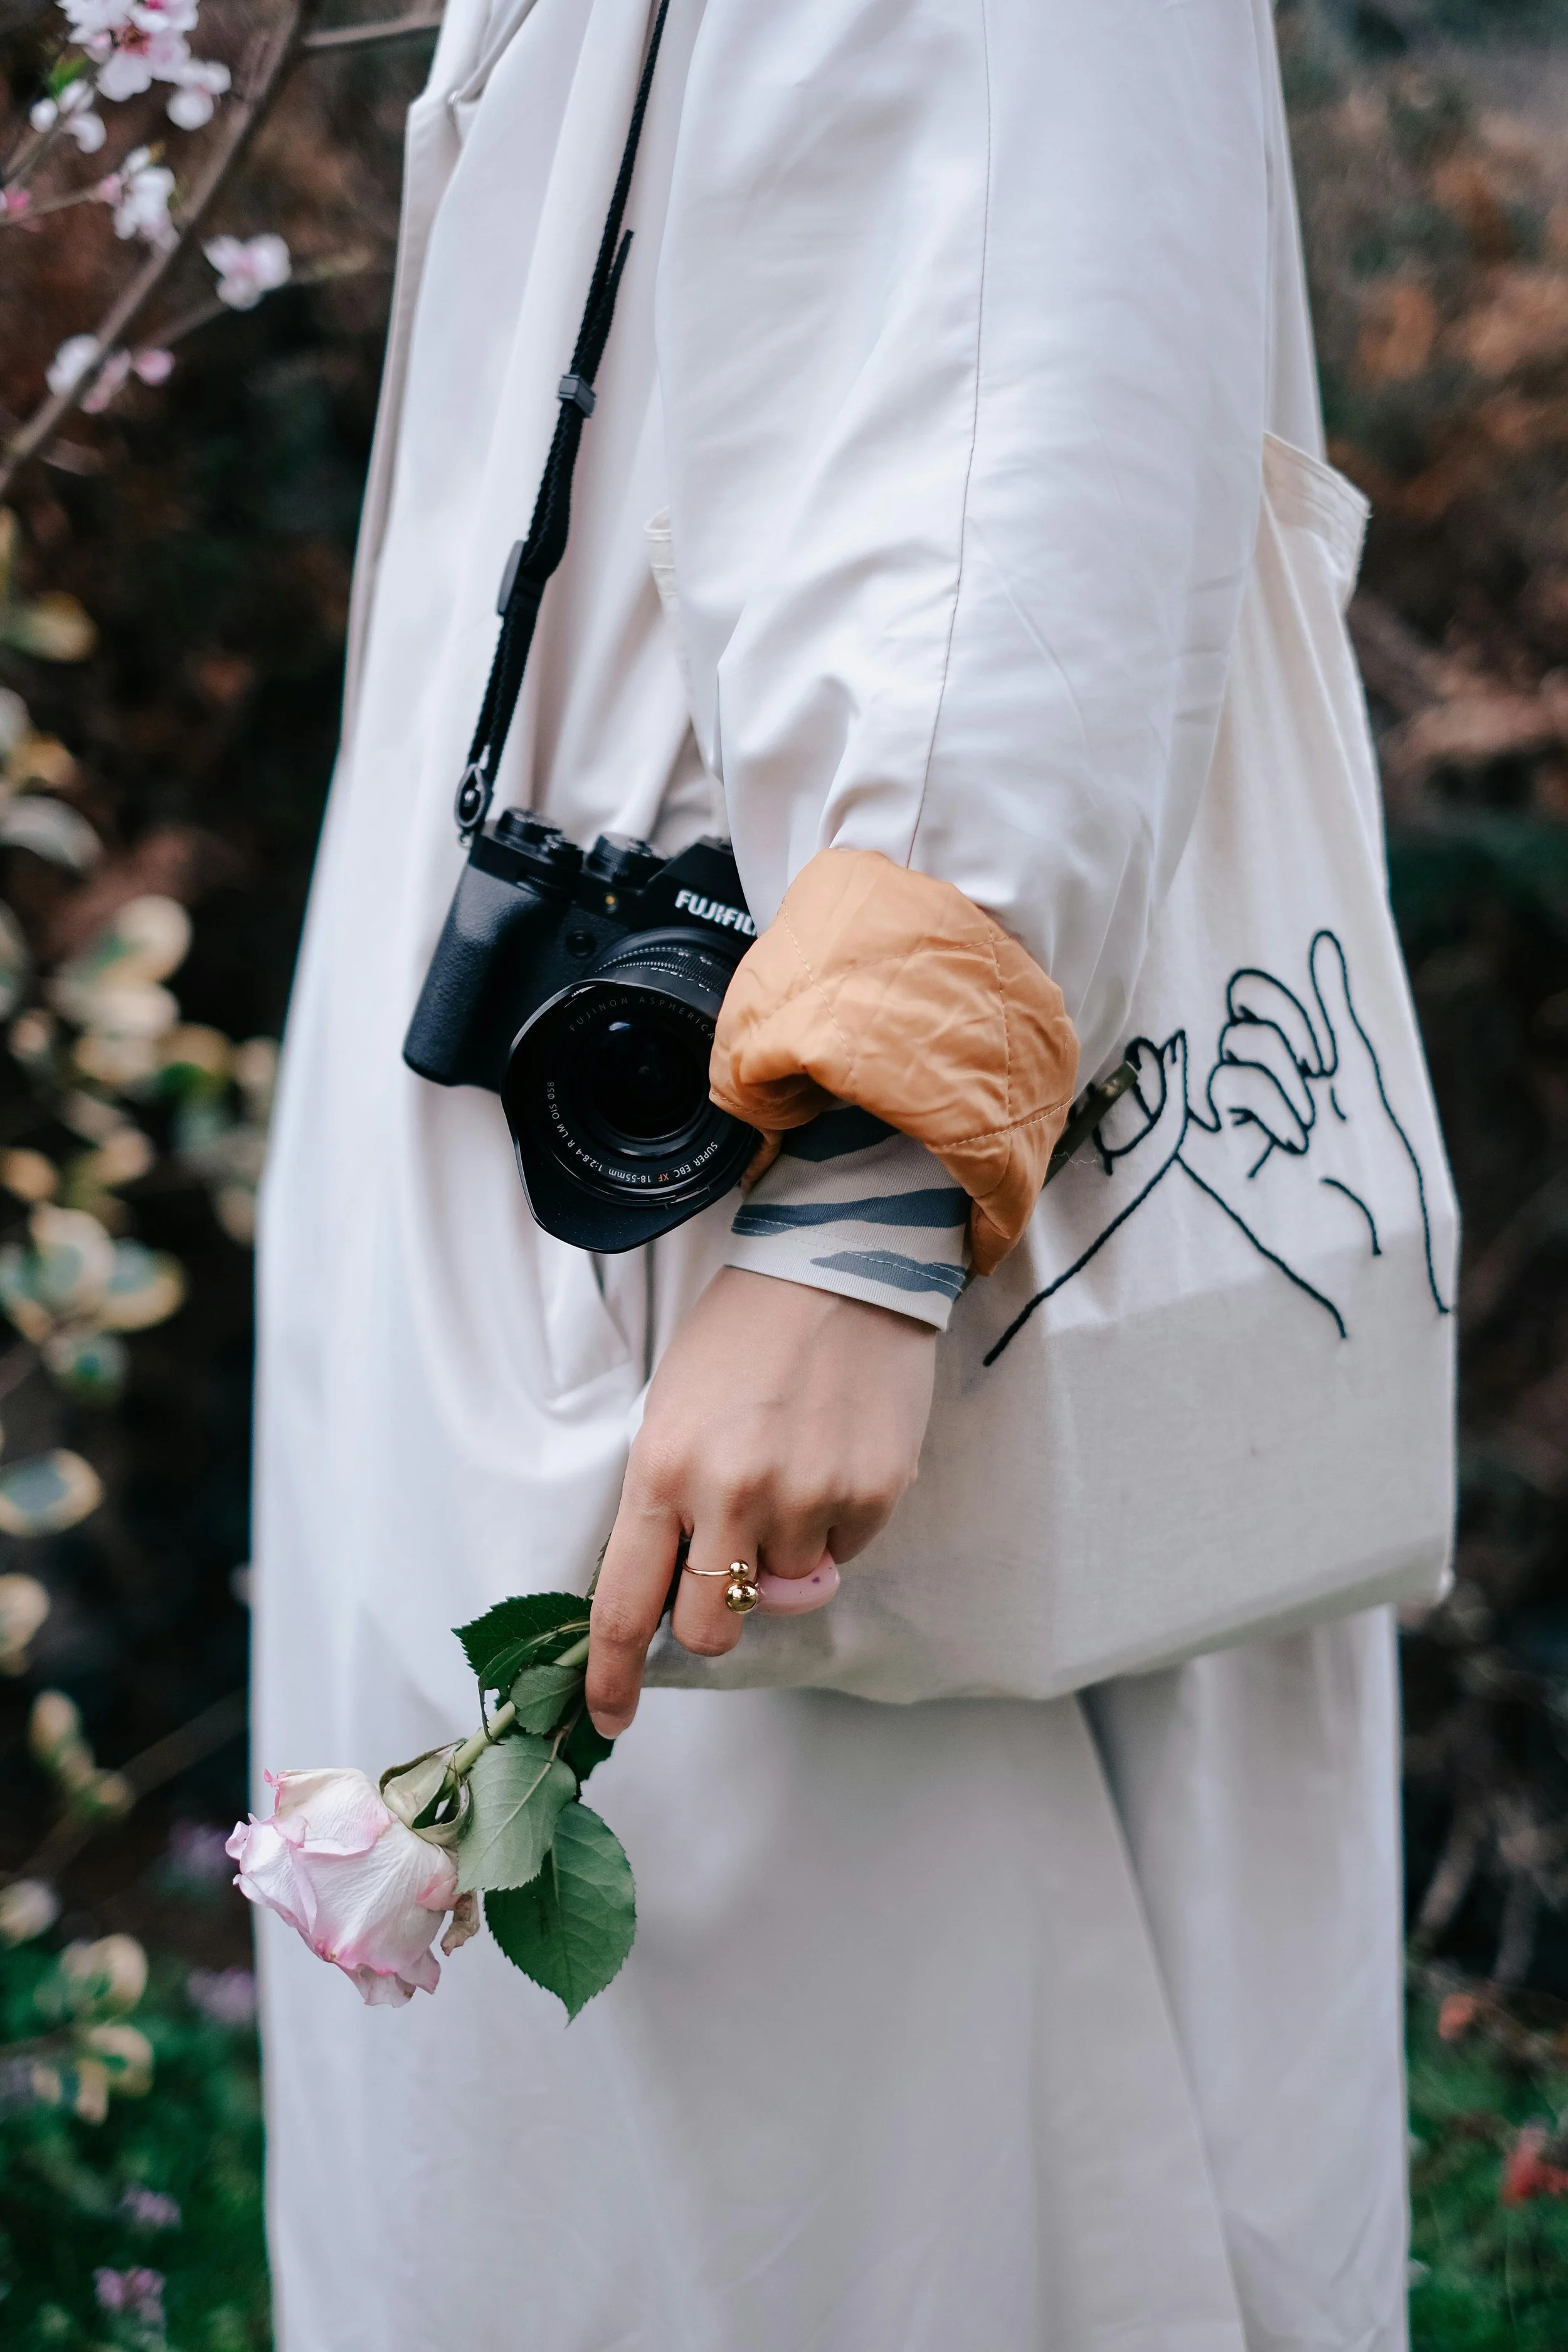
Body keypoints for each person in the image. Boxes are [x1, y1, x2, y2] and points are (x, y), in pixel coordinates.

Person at [254, 2, 1411, 2346]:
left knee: (882, 2163)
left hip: (774, 1249)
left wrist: (872, 1201)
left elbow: (1035, 405)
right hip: (612, 1194)